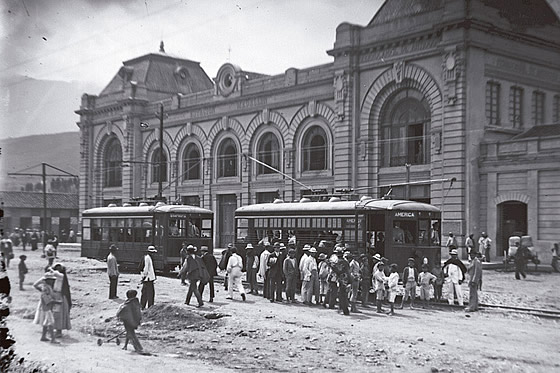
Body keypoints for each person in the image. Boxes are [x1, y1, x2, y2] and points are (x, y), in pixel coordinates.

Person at [33, 271, 60, 343]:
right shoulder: (46, 288)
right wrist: (57, 302)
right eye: (51, 280)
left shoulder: (47, 287)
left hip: (46, 307)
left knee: (46, 321)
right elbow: (47, 299)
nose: (53, 281)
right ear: (48, 281)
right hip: (47, 307)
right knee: (51, 322)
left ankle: (43, 336)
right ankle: (53, 339)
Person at [328, 246, 351, 315]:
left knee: (342, 295)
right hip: (345, 279)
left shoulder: (338, 262)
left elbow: (338, 271)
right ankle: (343, 309)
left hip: (342, 280)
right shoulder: (345, 262)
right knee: (344, 295)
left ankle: (344, 310)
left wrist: (332, 266)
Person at [52, 264, 72, 337]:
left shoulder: (62, 277)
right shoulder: (53, 277)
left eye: (59, 269)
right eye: (56, 268)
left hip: (61, 296)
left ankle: (59, 331)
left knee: (60, 314)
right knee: (52, 314)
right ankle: (51, 330)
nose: (57, 270)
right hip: (53, 295)